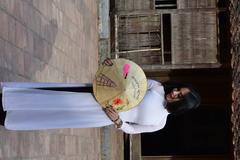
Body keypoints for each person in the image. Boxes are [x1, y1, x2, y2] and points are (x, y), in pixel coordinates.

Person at [0, 58, 201, 134]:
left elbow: (133, 130)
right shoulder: (156, 87)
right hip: (97, 96)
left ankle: (8, 118)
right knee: (55, 97)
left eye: (180, 96)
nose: (175, 92)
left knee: (57, 115)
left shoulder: (159, 123)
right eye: (179, 89)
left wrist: (119, 122)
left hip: (101, 115)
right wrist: (113, 68)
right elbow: (130, 78)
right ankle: (8, 98)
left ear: (181, 105)